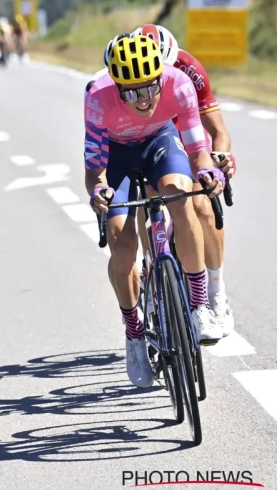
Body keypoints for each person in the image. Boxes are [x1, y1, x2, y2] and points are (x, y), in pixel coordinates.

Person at [85, 35, 225, 388]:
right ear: (116, 86)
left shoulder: (178, 84)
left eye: (149, 88)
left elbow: (196, 149)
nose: (143, 100)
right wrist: (98, 190)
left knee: (181, 197)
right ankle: (134, 334)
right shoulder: (97, 96)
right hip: (116, 156)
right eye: (131, 93)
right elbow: (95, 166)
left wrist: (207, 171)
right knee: (122, 243)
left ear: (161, 77)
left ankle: (197, 307)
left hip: (160, 143)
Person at [132, 23, 236, 334]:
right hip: (149, 138)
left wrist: (219, 160)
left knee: (204, 208)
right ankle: (152, 266)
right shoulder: (130, 73)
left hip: (187, 136)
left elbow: (218, 132)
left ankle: (216, 294)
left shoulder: (190, 70)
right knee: (148, 203)